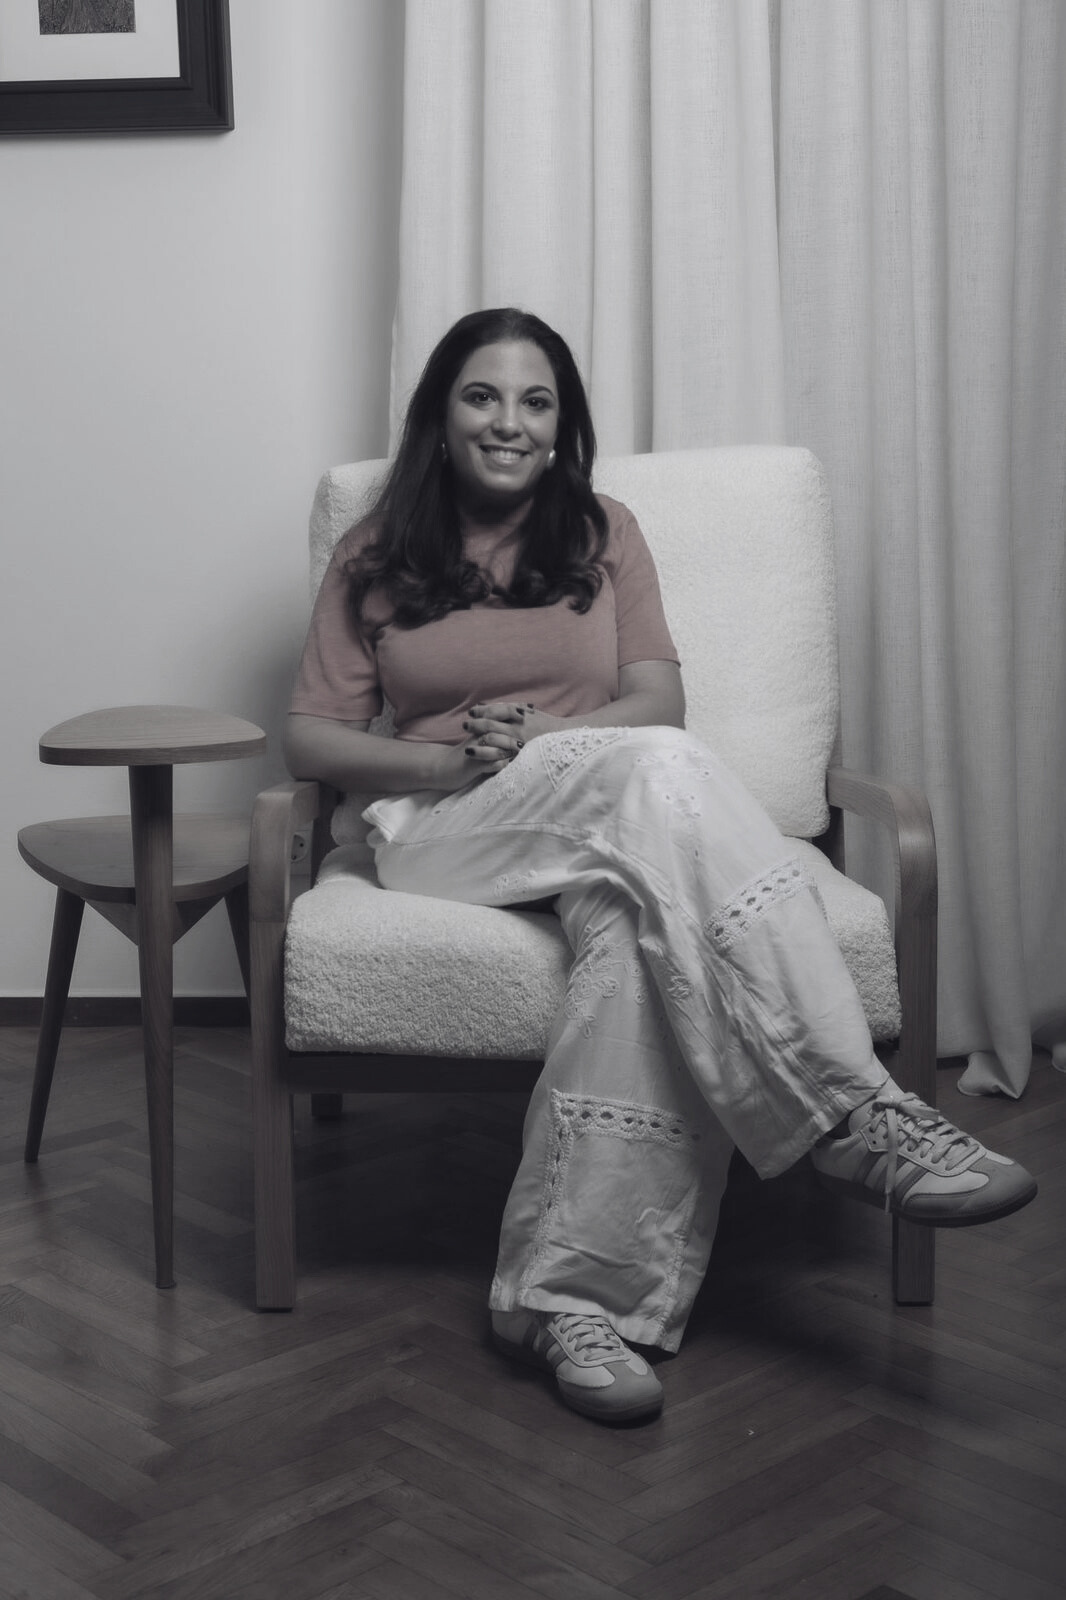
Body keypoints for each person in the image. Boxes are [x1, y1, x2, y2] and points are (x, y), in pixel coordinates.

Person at [286, 307, 1037, 1425]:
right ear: (440, 419)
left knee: (643, 940)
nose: (510, 421)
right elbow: (309, 737)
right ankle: (846, 1110)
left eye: (536, 401)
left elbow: (657, 701)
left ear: (561, 425)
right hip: (443, 827)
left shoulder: (602, 530)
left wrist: (548, 743)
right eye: (483, 396)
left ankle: (565, 1303)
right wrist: (441, 762)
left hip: (604, 810)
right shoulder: (376, 552)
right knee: (659, 770)